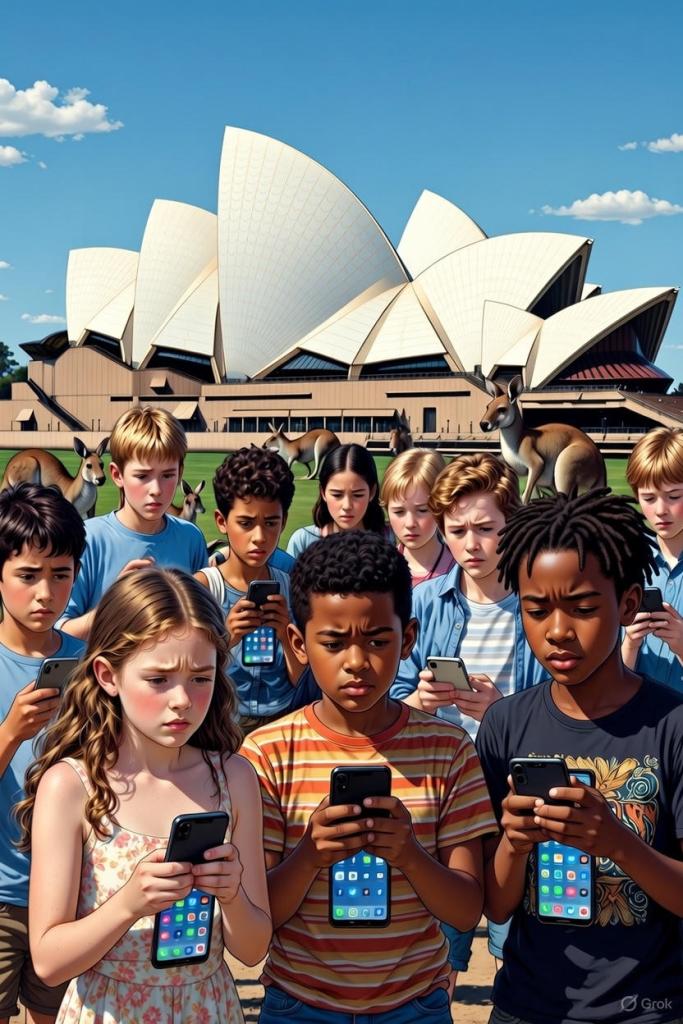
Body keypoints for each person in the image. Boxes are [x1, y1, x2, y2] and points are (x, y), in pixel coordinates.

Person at [241, 531, 497, 1023]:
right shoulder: (266, 752)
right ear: (298, 641)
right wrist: (310, 855)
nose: (356, 663)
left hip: (414, 1006)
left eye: (378, 640)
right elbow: (258, 915)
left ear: (410, 639)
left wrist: (410, 854)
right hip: (299, 1005)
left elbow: (466, 909)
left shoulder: (447, 750)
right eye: (333, 643)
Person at [19, 568, 271, 1024]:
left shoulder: (235, 779)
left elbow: (253, 950)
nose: (181, 700)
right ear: (107, 675)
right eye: (158, 680)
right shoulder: (72, 786)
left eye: (200, 677)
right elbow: (48, 962)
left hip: (207, 1009)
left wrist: (233, 895)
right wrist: (129, 903)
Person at [478, 488, 683, 1024]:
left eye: (584, 607)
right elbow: (495, 905)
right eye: (536, 609)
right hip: (527, 1005)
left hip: (649, 1007)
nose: (558, 631)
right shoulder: (505, 725)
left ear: (630, 605)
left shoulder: (675, 725)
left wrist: (616, 840)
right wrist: (514, 844)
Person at [390, 453, 547, 993]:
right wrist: (421, 699)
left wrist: (505, 710)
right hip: (445, 793)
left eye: (486, 529)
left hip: (514, 791)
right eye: (456, 530)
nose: (471, 544)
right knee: (440, 951)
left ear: (513, 525)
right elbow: (390, 699)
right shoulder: (424, 602)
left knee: (516, 948)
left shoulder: (540, 603)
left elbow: (567, 706)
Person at [0, 483, 86, 1024]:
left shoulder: (91, 662)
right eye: (28, 576)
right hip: (3, 893)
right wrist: (10, 732)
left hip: (72, 890)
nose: (46, 594)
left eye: (61, 574)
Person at [60, 407, 208, 639]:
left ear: (180, 473)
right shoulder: (88, 538)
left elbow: (202, 622)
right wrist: (116, 603)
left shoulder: (191, 537)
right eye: (142, 476)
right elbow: (59, 634)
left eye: (168, 475)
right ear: (117, 475)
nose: (156, 490)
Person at [196, 447, 307, 732]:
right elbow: (187, 674)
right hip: (221, 725)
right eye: (246, 523)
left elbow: (303, 678)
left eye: (271, 523)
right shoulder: (202, 589)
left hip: (284, 720)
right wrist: (226, 639)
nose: (260, 537)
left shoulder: (293, 588)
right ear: (222, 522)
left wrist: (285, 634)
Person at [623, 426, 683, 690]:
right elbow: (609, 681)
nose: (660, 510)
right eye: (648, 498)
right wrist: (630, 643)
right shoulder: (625, 563)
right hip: (640, 723)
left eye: (674, 496)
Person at [286, 444, 385, 558]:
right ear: (323, 492)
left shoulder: (388, 538)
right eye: (337, 495)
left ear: (372, 492)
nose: (347, 506)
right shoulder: (303, 541)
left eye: (358, 495)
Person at [380, 448, 454, 586]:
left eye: (422, 510)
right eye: (399, 512)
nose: (410, 523)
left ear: (443, 507)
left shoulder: (462, 575)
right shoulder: (379, 572)